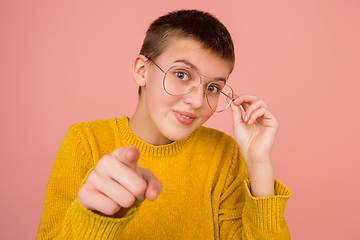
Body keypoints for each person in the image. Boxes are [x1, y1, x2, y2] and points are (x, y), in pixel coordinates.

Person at [37, 9, 291, 239]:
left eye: (212, 87)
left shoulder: (223, 154)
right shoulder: (85, 140)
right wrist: (95, 217)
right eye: (181, 74)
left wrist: (259, 165)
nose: (196, 100)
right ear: (142, 70)